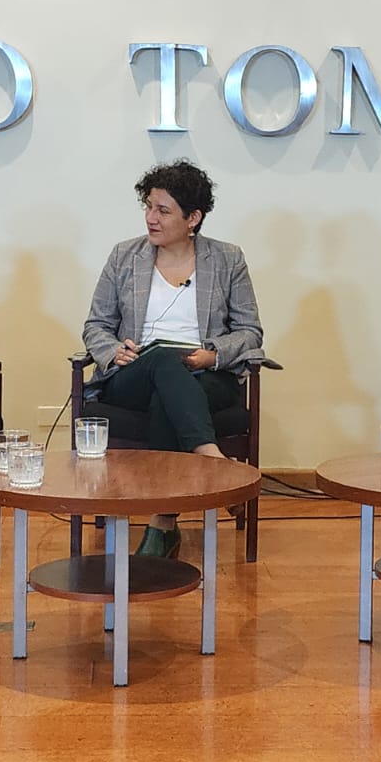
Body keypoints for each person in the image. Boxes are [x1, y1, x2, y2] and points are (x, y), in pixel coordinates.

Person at [82, 160, 266, 559]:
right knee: (163, 360)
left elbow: (250, 331)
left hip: (203, 373)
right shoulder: (124, 256)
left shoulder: (227, 259)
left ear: (193, 218)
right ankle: (211, 459)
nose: (151, 218)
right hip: (135, 372)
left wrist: (213, 354)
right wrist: (114, 350)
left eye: (163, 210)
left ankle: (163, 524)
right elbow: (96, 325)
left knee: (169, 392)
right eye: (148, 207)